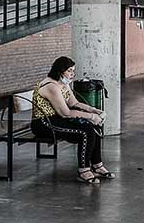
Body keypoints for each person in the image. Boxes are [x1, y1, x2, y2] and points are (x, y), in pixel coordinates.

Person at [31, 56, 112, 184]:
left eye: (73, 71)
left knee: (93, 128)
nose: (72, 74)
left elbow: (74, 103)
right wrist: (91, 117)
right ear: (60, 71)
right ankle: (83, 171)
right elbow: (66, 113)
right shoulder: (51, 86)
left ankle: (97, 165)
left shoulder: (62, 83)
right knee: (86, 132)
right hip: (44, 123)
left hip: (56, 119)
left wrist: (93, 110)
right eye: (69, 71)